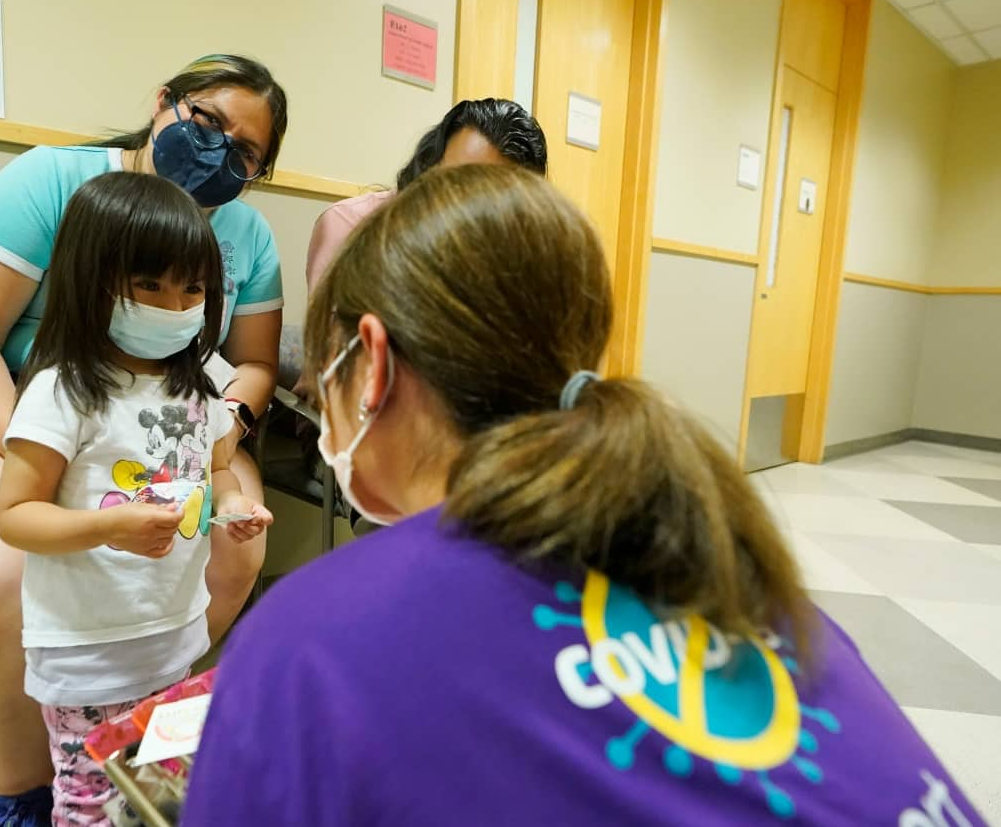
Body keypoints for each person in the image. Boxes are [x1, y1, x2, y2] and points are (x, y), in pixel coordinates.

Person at [182, 165, 983, 826]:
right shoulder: (747, 583)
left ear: (375, 363)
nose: (327, 407)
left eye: (330, 377)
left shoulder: (313, 643)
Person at [0, 54, 287, 825]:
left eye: (245, 152)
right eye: (206, 122)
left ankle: (135, 725)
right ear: (164, 102)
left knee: (234, 544)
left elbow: (253, 364)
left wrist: (222, 430)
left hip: (169, 410)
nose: (219, 151)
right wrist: (52, 450)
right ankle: (28, 790)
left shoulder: (245, 232)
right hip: (13, 408)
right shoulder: (53, 180)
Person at [0, 171, 272, 826]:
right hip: (87, 650)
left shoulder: (201, 385)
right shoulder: (64, 390)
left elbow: (220, 474)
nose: (173, 307)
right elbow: (13, 514)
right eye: (149, 284)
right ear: (94, 278)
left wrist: (233, 511)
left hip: (173, 636)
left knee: (151, 788)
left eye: (193, 288)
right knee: (88, 801)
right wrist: (107, 528)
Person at [304, 97, 547, 290]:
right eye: (453, 179)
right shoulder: (348, 227)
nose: (461, 203)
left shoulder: (511, 258)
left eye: (487, 199)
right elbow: (335, 347)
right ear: (430, 160)